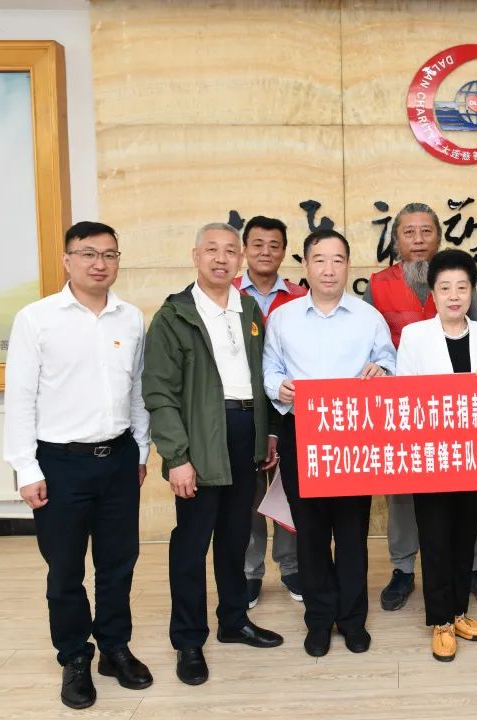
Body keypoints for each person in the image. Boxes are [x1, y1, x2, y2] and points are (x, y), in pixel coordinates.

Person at [4, 221, 153, 710]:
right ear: (67, 259)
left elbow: (137, 392)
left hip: (119, 459)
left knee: (118, 562)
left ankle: (114, 647)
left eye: (109, 254)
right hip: (59, 463)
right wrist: (26, 468)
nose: (99, 263)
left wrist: (141, 451)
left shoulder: (130, 318)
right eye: (88, 253)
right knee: (66, 569)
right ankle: (73, 656)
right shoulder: (37, 319)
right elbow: (19, 398)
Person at [143, 222, 283, 687]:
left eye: (229, 251)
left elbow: (260, 376)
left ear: (240, 259)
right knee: (192, 542)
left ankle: (234, 620)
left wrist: (265, 434)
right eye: (211, 250)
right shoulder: (174, 316)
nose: (221, 259)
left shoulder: (249, 309)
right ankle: (188, 640)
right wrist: (176, 457)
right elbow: (159, 393)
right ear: (195, 256)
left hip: (245, 433)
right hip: (201, 438)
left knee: (235, 536)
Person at [264, 228, 397, 658]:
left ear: (348, 265)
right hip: (301, 433)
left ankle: (352, 620)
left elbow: (390, 363)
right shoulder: (283, 317)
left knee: (353, 533)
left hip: (354, 437)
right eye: (319, 259)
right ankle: (319, 620)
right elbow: (269, 369)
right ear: (305, 264)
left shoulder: (367, 317)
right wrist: (279, 386)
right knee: (311, 535)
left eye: (338, 260)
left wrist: (382, 370)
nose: (328, 269)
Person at [366, 202, 477, 611]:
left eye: (426, 231)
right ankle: (404, 569)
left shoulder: (457, 283)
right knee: (405, 497)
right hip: (406, 410)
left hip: (466, 417)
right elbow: (374, 346)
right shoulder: (378, 285)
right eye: (409, 232)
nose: (418, 239)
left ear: (439, 237)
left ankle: (473, 564)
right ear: (396, 240)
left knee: (468, 493)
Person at [396, 249, 477, 662]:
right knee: (435, 538)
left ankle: (459, 611)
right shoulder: (414, 336)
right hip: (431, 456)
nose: (455, 295)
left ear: (472, 291)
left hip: (475, 456)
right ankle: (440, 620)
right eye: (445, 288)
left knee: (465, 536)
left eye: (462, 287)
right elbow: (404, 396)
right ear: (433, 293)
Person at [235, 215, 308, 609]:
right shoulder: (226, 294)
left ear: (284, 251)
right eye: (258, 244)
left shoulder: (300, 296)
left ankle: (292, 566)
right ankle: (250, 572)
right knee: (248, 497)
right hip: (241, 411)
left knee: (289, 492)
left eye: (274, 245)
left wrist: (278, 425)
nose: (266, 252)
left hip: (291, 411)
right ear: (245, 249)